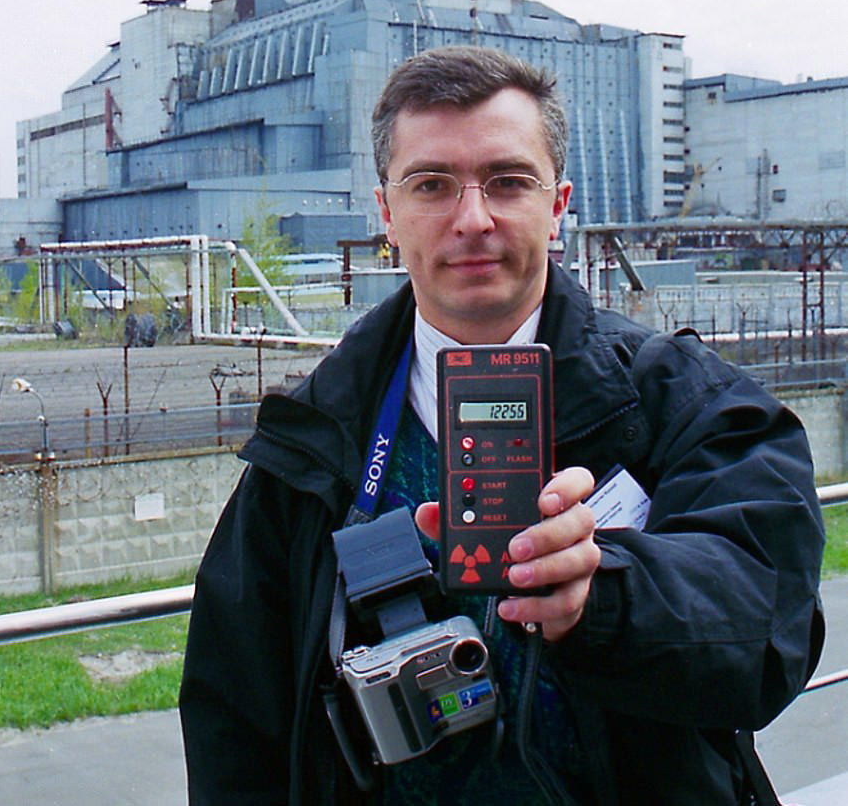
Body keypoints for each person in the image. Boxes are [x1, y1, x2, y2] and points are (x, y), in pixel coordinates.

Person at [180, 45, 825, 805]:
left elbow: (770, 624)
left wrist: (607, 598)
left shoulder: (676, 401)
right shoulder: (314, 439)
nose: (473, 218)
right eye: (432, 184)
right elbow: (235, 719)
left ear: (558, 206)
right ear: (386, 212)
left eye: (509, 181)